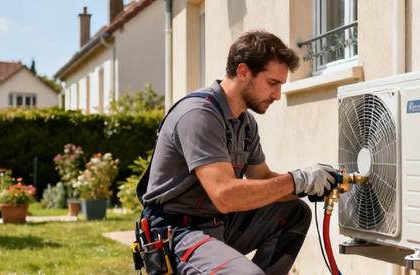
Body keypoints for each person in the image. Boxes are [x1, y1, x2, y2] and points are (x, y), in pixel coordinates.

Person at [137, 30, 338, 275]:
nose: (276, 95)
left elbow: (262, 179)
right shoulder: (199, 115)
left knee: (294, 212)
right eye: (272, 83)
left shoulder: (244, 122)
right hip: (176, 232)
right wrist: (295, 181)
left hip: (216, 223)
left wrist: (307, 182)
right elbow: (224, 195)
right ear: (243, 72)